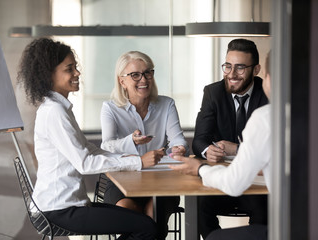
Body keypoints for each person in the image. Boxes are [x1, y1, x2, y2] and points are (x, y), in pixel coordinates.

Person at [17, 38, 158, 240]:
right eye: (69, 69)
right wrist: (137, 162)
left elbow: (87, 150)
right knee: (147, 228)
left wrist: (126, 158)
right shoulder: (54, 112)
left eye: (76, 67)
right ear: (49, 75)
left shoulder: (58, 108)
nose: (77, 73)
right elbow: (85, 163)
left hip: (65, 205)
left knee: (139, 222)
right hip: (59, 210)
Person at [170, 51, 272, 240]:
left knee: (263, 208)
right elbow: (199, 140)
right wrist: (208, 151)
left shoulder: (266, 102)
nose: (232, 74)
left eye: (240, 67)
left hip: (255, 183)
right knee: (200, 207)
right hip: (220, 179)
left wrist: (236, 149)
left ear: (257, 70)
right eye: (228, 66)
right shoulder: (213, 92)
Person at [100, 50, 188, 239]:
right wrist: (130, 141)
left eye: (148, 72)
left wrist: (178, 149)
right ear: (122, 81)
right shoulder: (110, 108)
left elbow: (177, 139)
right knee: (128, 212)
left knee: (153, 214)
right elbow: (107, 146)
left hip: (162, 181)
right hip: (122, 178)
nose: (144, 79)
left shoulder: (167, 104)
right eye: (135, 75)